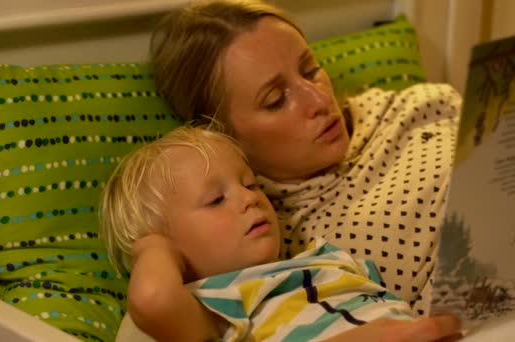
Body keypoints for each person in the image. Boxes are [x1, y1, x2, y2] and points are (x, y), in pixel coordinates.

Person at [150, 0, 462, 326]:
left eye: (310, 69)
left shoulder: (421, 105)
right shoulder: (266, 238)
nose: (319, 99)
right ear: (226, 138)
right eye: (276, 100)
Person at [100, 126, 416, 341]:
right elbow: (152, 299)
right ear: (171, 256)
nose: (250, 198)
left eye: (250, 184)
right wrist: (152, 248)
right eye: (216, 200)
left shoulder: (328, 258)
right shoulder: (211, 305)